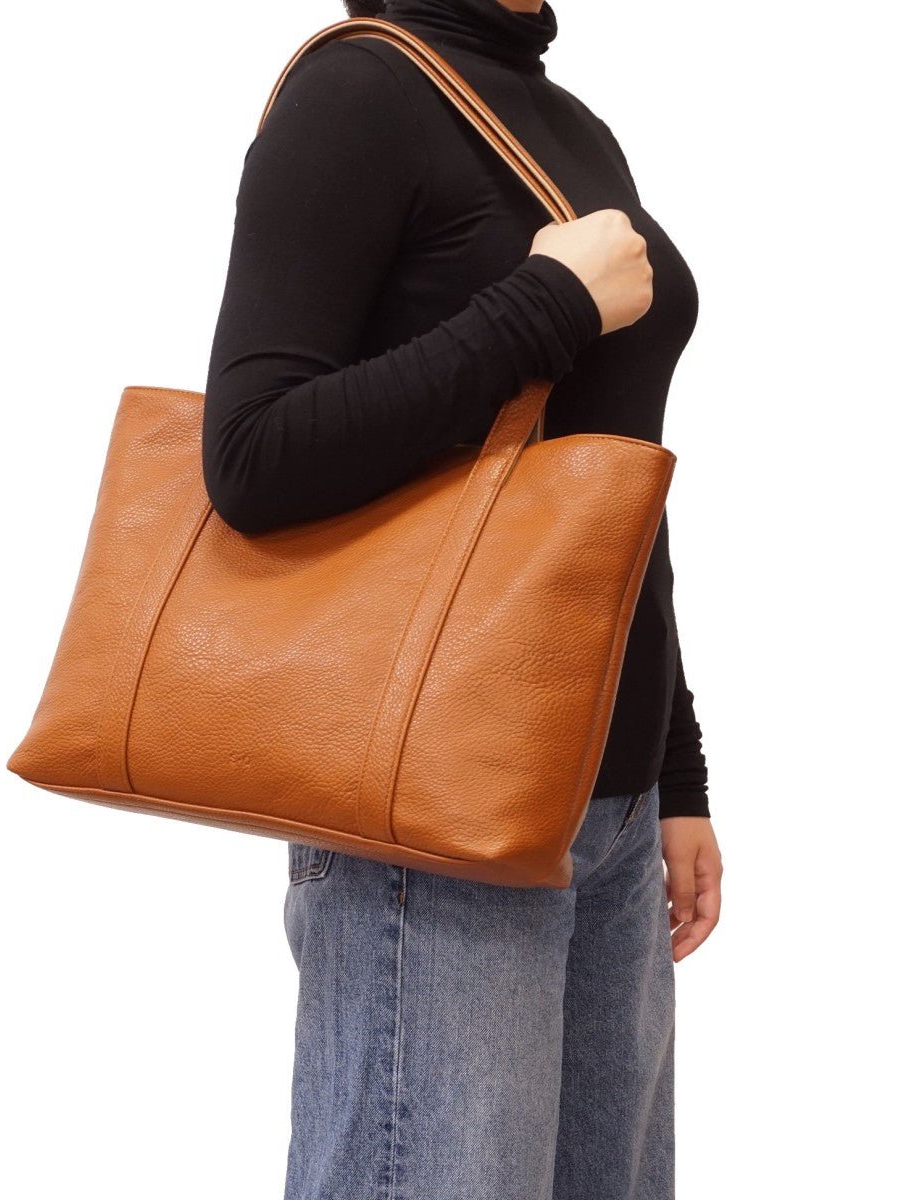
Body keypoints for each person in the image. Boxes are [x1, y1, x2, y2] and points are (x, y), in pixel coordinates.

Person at [202, 0, 723, 1195]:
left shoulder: (569, 124)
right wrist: (547, 305)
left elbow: (609, 482)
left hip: (610, 806)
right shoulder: (358, 93)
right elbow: (251, 459)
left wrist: (676, 774)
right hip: (435, 811)